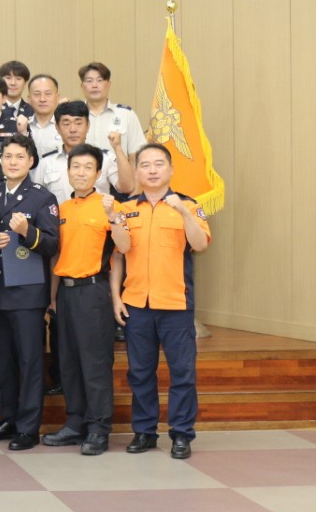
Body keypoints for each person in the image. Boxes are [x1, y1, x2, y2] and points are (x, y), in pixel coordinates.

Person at [111, 143, 211, 459]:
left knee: (182, 373)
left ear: (170, 169)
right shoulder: (126, 208)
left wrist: (183, 212)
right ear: (137, 171)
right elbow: (119, 253)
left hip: (176, 304)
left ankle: (181, 434)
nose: (152, 170)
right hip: (137, 304)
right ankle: (144, 432)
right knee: (140, 373)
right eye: (145, 164)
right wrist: (116, 298)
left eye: (158, 164)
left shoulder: (189, 205)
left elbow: (200, 244)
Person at [0, 135, 60, 451]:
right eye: (8, 156)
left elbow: (52, 245)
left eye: (19, 157)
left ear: (31, 161)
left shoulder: (42, 197)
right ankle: (8, 419)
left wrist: (27, 232)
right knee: (0, 361)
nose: (12, 162)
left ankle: (28, 427)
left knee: (29, 361)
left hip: (27, 293)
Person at [42, 144, 121, 456]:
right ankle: (75, 423)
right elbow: (56, 255)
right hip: (65, 293)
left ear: (98, 173)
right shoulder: (62, 208)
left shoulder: (108, 205)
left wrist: (115, 218)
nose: (81, 172)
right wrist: (52, 297)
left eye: (88, 167)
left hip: (93, 291)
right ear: (68, 171)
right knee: (69, 361)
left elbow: (124, 249)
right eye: (76, 167)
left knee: (95, 362)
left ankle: (99, 428)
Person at [33, 100, 134, 203]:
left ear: (88, 125)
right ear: (57, 127)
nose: (73, 129)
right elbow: (35, 198)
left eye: (78, 123)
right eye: (66, 124)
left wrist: (117, 148)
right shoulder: (46, 163)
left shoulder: (104, 158)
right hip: (61, 213)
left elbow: (127, 187)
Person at [79, 62, 145, 158]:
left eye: (100, 80)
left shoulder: (126, 114)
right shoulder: (73, 115)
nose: (94, 85)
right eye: (89, 81)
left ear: (109, 84)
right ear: (82, 86)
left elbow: (136, 156)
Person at [25, 74, 64, 160]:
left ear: (57, 97)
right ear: (29, 99)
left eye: (48, 94)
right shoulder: (23, 127)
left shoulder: (66, 127)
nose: (42, 99)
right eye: (37, 94)